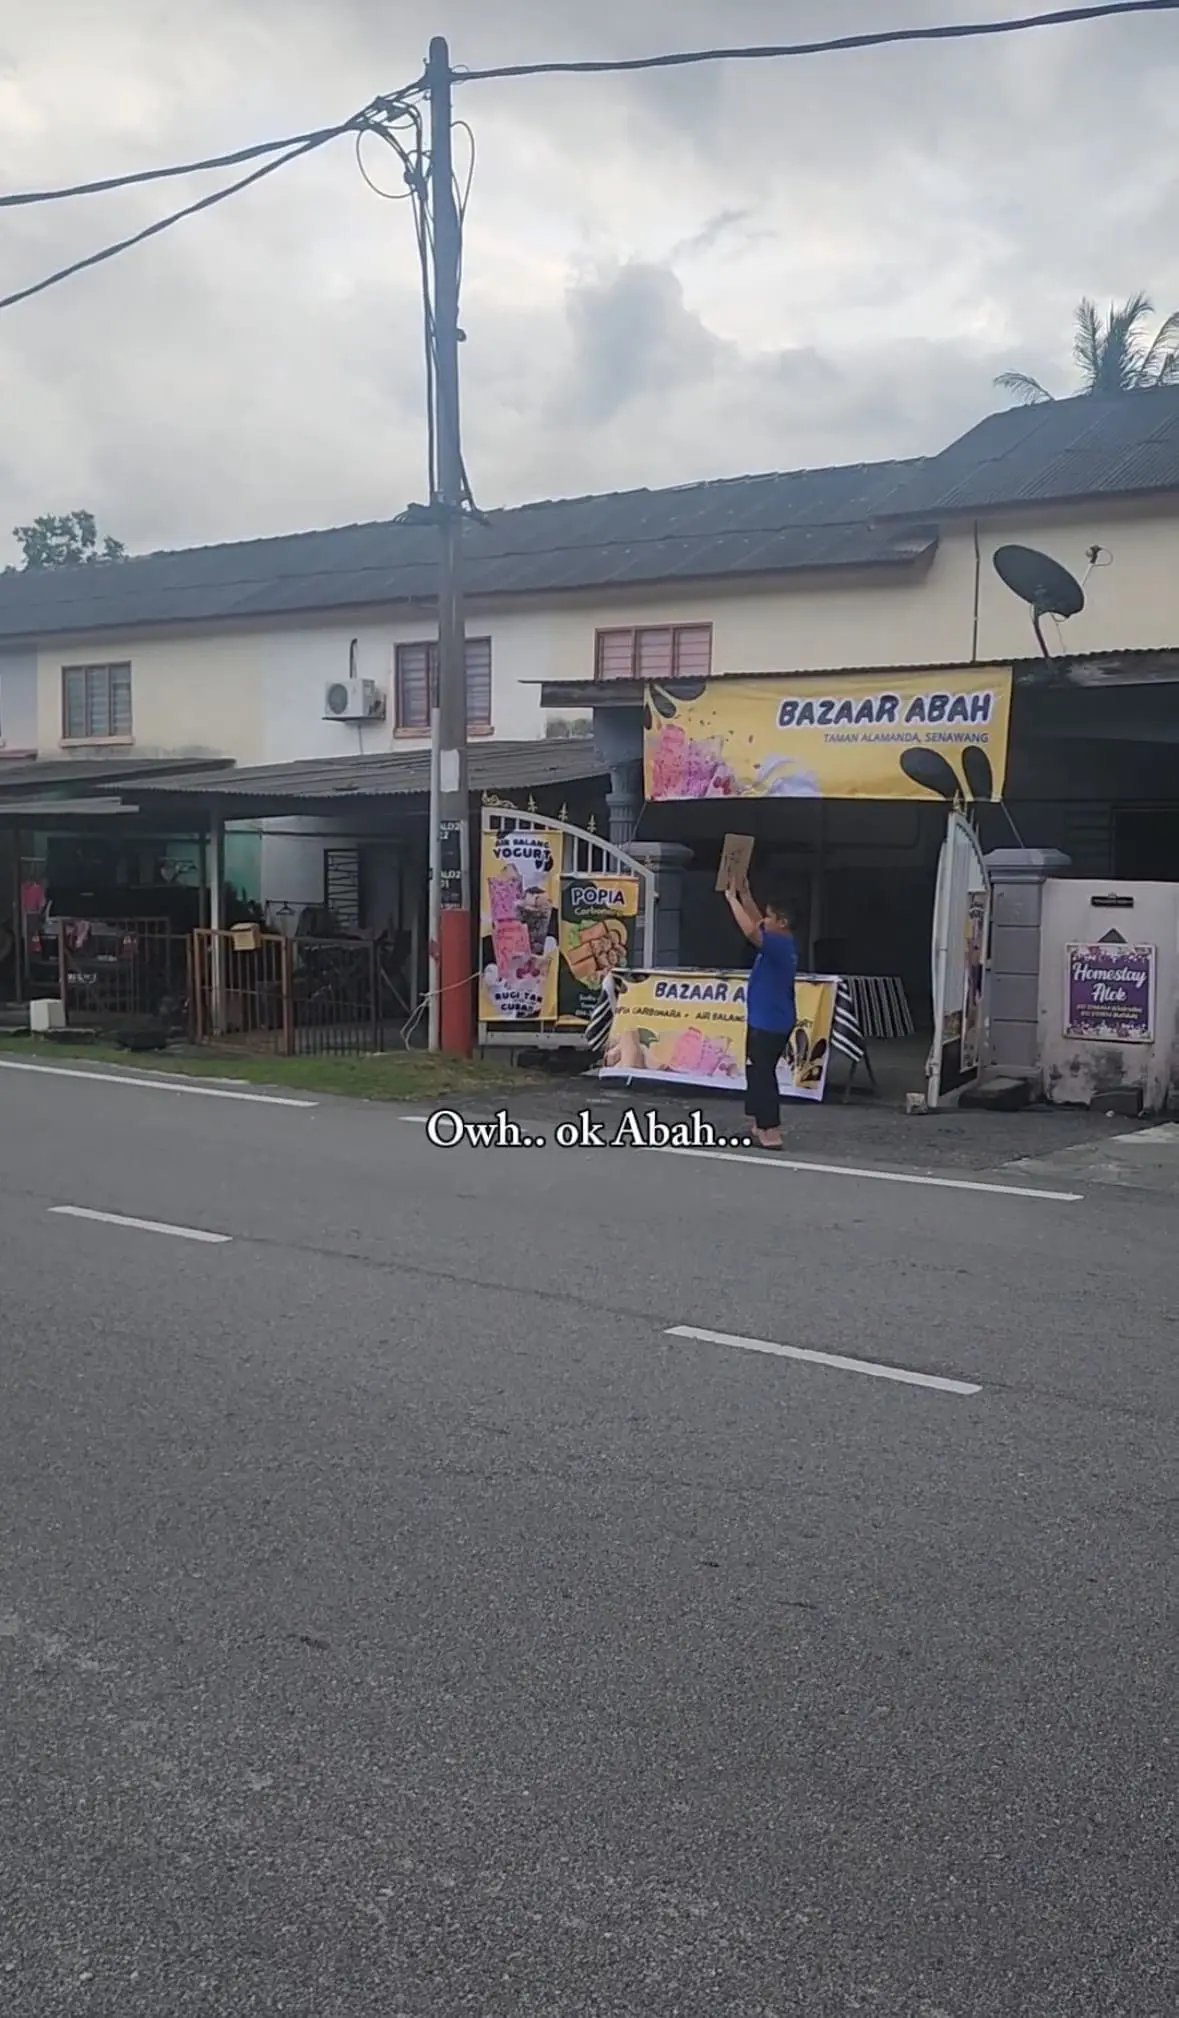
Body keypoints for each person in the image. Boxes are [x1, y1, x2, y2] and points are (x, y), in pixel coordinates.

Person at [724, 878, 797, 1150]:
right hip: (768, 1019)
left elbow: (749, 930)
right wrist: (745, 892)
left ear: (782, 923)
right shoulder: (781, 941)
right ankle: (758, 1124)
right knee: (756, 1072)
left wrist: (732, 900)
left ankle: (771, 1130)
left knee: (764, 1075)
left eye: (769, 918)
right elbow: (756, 922)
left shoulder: (777, 945)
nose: (763, 921)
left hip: (769, 1023)